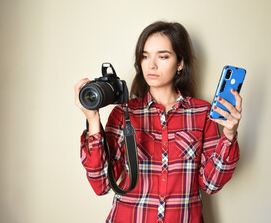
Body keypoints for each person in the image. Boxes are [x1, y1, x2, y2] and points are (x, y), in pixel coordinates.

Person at [74, 21, 242, 223]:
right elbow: (101, 185)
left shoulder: (202, 113)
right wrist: (93, 120)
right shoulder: (123, 114)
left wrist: (229, 135)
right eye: (145, 56)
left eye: (163, 56)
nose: (151, 65)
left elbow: (211, 184)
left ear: (180, 62)